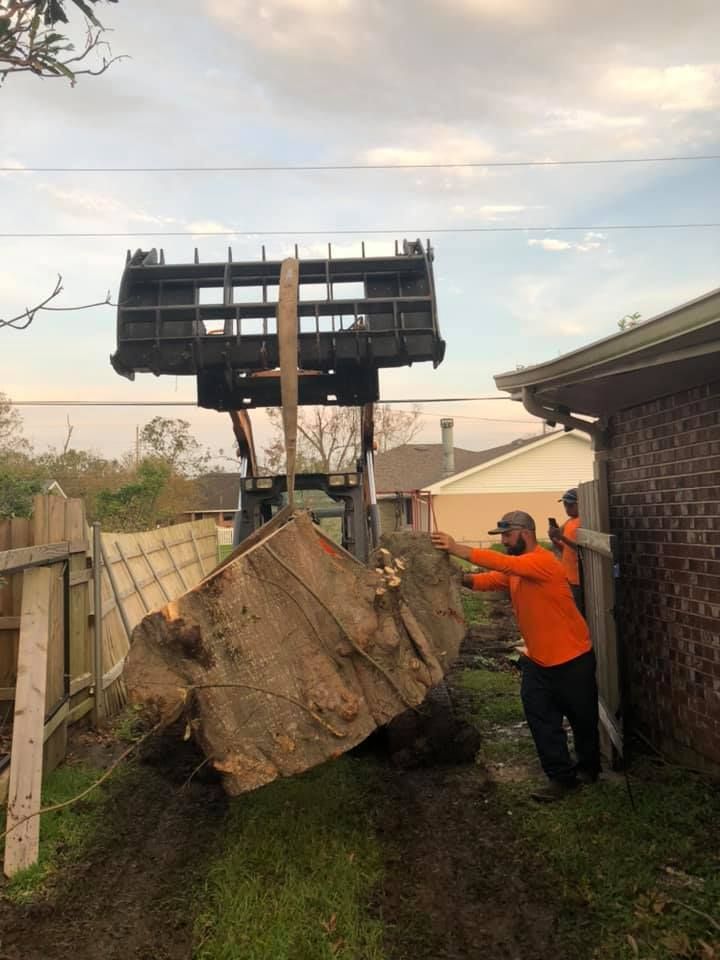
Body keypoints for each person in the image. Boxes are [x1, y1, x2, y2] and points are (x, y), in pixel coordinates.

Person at [432, 511, 600, 802]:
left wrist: (457, 548)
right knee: (541, 720)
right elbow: (490, 579)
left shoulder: (542, 562)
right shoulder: (518, 573)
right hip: (538, 661)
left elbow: (504, 563)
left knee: (582, 720)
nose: (505, 541)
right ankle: (561, 778)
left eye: (507, 535)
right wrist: (459, 578)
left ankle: (589, 769)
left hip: (573, 658)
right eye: (502, 537)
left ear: (526, 533)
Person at [549, 488, 583, 613]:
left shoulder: (583, 523)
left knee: (577, 613)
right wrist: (554, 540)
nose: (567, 508)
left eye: (570, 505)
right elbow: (566, 549)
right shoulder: (569, 522)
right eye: (565, 505)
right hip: (568, 577)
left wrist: (561, 537)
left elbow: (581, 549)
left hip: (579, 580)